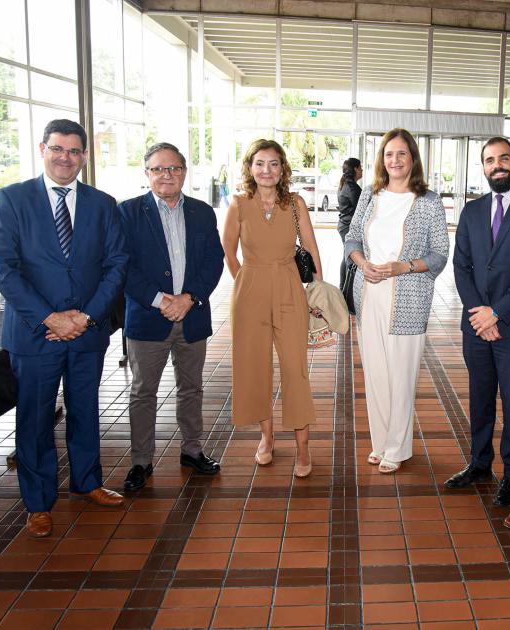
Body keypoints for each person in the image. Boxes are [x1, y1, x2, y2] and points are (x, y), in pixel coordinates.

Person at [0, 119, 129, 538]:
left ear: (85, 155)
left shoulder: (103, 204)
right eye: (58, 149)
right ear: (42, 148)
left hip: (87, 331)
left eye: (74, 151)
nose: (65, 157)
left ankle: (87, 482)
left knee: (85, 410)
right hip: (34, 333)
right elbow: (4, 267)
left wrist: (84, 317)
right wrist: (50, 318)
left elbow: (116, 264)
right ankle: (38, 502)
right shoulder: (12, 200)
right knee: (34, 419)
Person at [118, 142, 226, 491]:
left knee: (191, 388)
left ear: (184, 172)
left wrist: (190, 298)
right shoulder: (127, 212)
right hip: (148, 319)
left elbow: (214, 261)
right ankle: (141, 461)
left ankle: (192, 451)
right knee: (143, 392)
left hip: (191, 316)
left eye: (174, 168)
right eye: (158, 169)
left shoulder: (201, 212)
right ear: (146, 173)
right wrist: (160, 300)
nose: (167, 175)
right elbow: (123, 267)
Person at [344, 128, 450, 474]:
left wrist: (401, 267)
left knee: (401, 375)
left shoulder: (429, 201)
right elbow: (352, 238)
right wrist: (363, 264)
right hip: (369, 292)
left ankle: (398, 447)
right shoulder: (370, 196)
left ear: (413, 158)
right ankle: (381, 442)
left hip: (408, 296)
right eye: (389, 154)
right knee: (375, 373)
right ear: (382, 159)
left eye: (402, 154)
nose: (395, 160)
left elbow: (439, 255)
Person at [222, 139, 322, 478]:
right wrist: (244, 280)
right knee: (255, 367)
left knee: (296, 369)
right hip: (249, 290)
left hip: (288, 285)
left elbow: (310, 246)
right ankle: (266, 438)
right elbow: (228, 247)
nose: (267, 170)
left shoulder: (295, 203)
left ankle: (303, 447)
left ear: (283, 169)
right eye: (260, 163)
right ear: (250, 167)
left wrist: (317, 289)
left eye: (274, 164)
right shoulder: (238, 204)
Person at [444, 137, 510, 506]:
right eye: (489, 160)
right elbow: (461, 267)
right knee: (480, 398)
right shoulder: (471, 211)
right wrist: (480, 314)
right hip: (476, 325)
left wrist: (497, 312)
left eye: (503, 158)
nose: (497, 165)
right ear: (482, 167)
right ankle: (480, 462)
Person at [337, 158, 362, 288]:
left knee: (346, 255)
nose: (362, 170)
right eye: (360, 167)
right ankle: (346, 289)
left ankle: (343, 288)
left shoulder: (345, 184)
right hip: (348, 227)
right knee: (350, 257)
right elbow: (360, 212)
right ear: (355, 169)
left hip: (344, 225)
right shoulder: (352, 188)